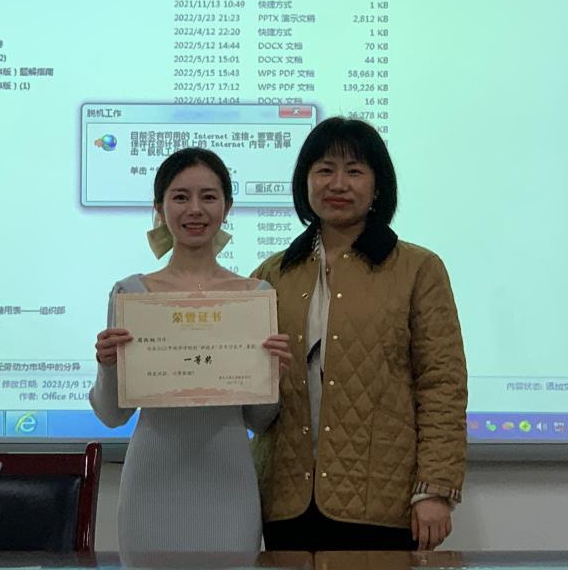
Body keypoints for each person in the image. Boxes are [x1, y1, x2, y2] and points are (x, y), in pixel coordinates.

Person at [252, 117, 468, 551]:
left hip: (383, 500)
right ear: (305, 182)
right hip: (285, 498)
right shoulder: (272, 274)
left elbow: (442, 384)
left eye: (354, 171)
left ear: (378, 185)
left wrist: (435, 488)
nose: (338, 183)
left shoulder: (418, 269)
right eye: (324, 170)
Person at [90, 147, 292, 554]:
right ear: (159, 208)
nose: (195, 209)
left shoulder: (254, 296)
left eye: (208, 196)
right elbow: (112, 416)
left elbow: (258, 420)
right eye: (180, 197)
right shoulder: (131, 294)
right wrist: (108, 365)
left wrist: (273, 373)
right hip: (151, 482)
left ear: (227, 207)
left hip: (229, 479)